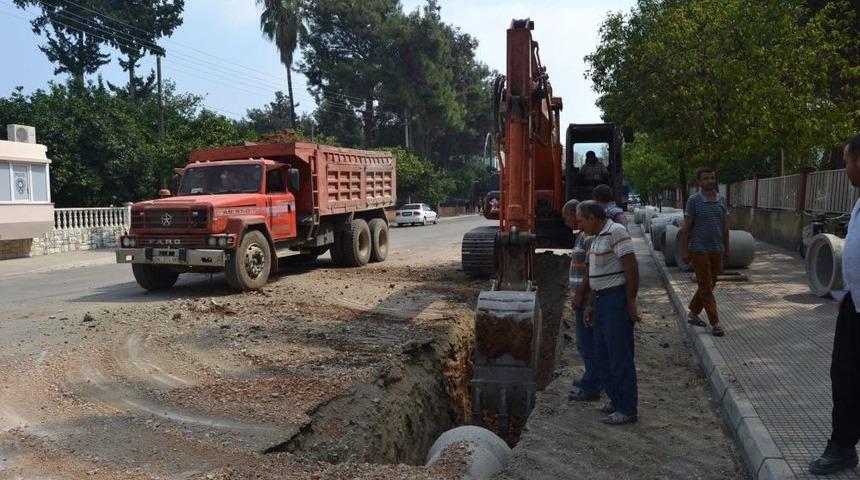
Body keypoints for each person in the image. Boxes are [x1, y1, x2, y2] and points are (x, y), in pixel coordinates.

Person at [809, 133, 860, 475]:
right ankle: (843, 445)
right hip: (854, 304)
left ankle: (842, 445)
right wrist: (848, 295)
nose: (844, 169)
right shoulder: (858, 201)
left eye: (845, 162)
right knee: (843, 375)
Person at [576, 200, 641, 425]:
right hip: (601, 301)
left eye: (581, 221)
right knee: (602, 356)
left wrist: (630, 302)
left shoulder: (616, 232)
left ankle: (627, 408)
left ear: (592, 218)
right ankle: (616, 400)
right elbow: (595, 274)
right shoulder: (594, 238)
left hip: (615, 301)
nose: (580, 226)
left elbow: (631, 267)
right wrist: (591, 305)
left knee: (619, 357)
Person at [679, 166, 729, 337]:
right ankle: (715, 323)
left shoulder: (721, 200)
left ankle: (693, 312)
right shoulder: (693, 201)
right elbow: (687, 227)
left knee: (710, 284)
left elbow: (724, 226)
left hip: (717, 249)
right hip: (699, 249)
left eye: (712, 178)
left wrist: (727, 248)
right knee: (706, 287)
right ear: (699, 182)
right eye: (706, 178)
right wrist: (684, 251)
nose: (709, 181)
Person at [565, 199, 601, 402]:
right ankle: (592, 378)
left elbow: (591, 269)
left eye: (567, 217)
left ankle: (592, 386)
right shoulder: (581, 236)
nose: (566, 221)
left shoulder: (588, 239)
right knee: (586, 343)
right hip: (583, 296)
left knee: (586, 344)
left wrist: (583, 297)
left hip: (587, 298)